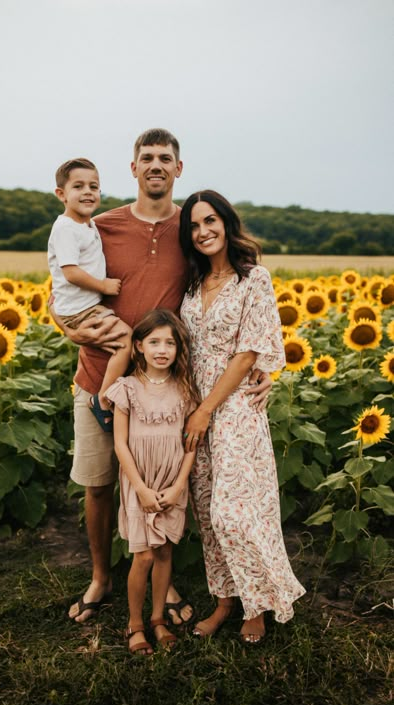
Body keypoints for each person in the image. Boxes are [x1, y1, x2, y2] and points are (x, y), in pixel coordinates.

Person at [51, 129, 272, 625]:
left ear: (178, 168)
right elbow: (60, 287)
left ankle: (162, 583)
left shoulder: (189, 230)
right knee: (99, 482)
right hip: (99, 379)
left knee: (167, 479)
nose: (155, 165)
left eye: (164, 158)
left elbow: (226, 296)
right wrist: (66, 326)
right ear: (133, 169)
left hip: (167, 390)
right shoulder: (99, 226)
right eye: (146, 158)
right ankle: (102, 577)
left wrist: (259, 366)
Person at [179, 190, 306, 643]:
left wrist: (207, 410)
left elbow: (248, 350)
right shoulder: (191, 284)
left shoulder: (254, 279)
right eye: (193, 226)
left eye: (210, 220)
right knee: (209, 513)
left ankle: (260, 603)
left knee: (237, 510)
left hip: (233, 407)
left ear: (226, 223)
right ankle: (225, 601)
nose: (203, 231)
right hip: (193, 406)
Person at [105, 309, 198, 654]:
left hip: (172, 481)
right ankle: (135, 623)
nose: (162, 349)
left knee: (163, 551)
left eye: (170, 343)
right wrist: (141, 488)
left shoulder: (186, 388)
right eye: (154, 341)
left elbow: (191, 444)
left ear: (178, 348)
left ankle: (158, 618)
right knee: (142, 557)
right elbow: (119, 443)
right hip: (139, 482)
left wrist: (178, 486)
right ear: (139, 346)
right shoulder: (126, 389)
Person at [48, 157, 131, 431]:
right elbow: (70, 272)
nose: (87, 192)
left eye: (93, 187)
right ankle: (103, 400)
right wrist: (104, 285)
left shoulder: (87, 224)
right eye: (79, 186)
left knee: (121, 343)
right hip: (81, 311)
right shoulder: (65, 229)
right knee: (126, 341)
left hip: (82, 307)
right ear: (61, 194)